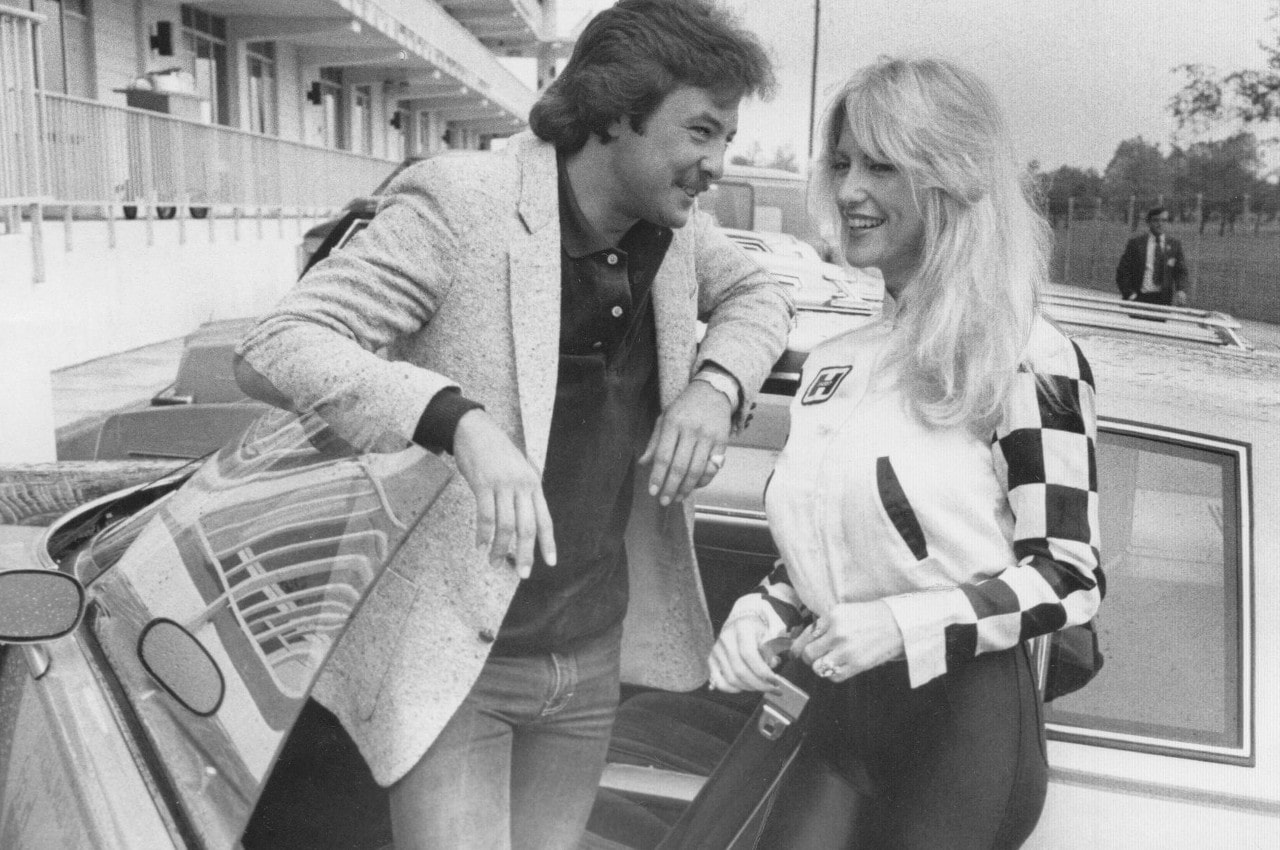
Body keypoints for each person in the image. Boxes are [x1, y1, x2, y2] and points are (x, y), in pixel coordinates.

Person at [233, 1, 792, 847]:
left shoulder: (675, 233)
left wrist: (715, 386)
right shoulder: (463, 203)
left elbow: (760, 294)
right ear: (616, 115)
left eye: (727, 139)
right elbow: (277, 346)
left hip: (591, 656)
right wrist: (455, 420)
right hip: (460, 661)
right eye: (701, 132)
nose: (716, 164)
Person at [708, 56, 1103, 849]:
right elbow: (834, 541)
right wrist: (766, 608)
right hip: (836, 707)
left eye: (882, 167)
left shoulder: (1028, 359)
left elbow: (1069, 575)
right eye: (842, 163)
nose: (849, 190)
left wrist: (901, 625)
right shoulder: (836, 361)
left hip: (962, 732)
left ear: (951, 179)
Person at [1116, 206, 1189, 306]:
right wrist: (1129, 294)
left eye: (1164, 220)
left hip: (1163, 301)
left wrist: (1181, 290)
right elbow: (1123, 272)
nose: (1160, 224)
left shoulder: (1174, 245)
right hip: (1138, 298)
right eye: (1156, 220)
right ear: (1149, 222)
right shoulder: (1136, 244)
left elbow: (1181, 271)